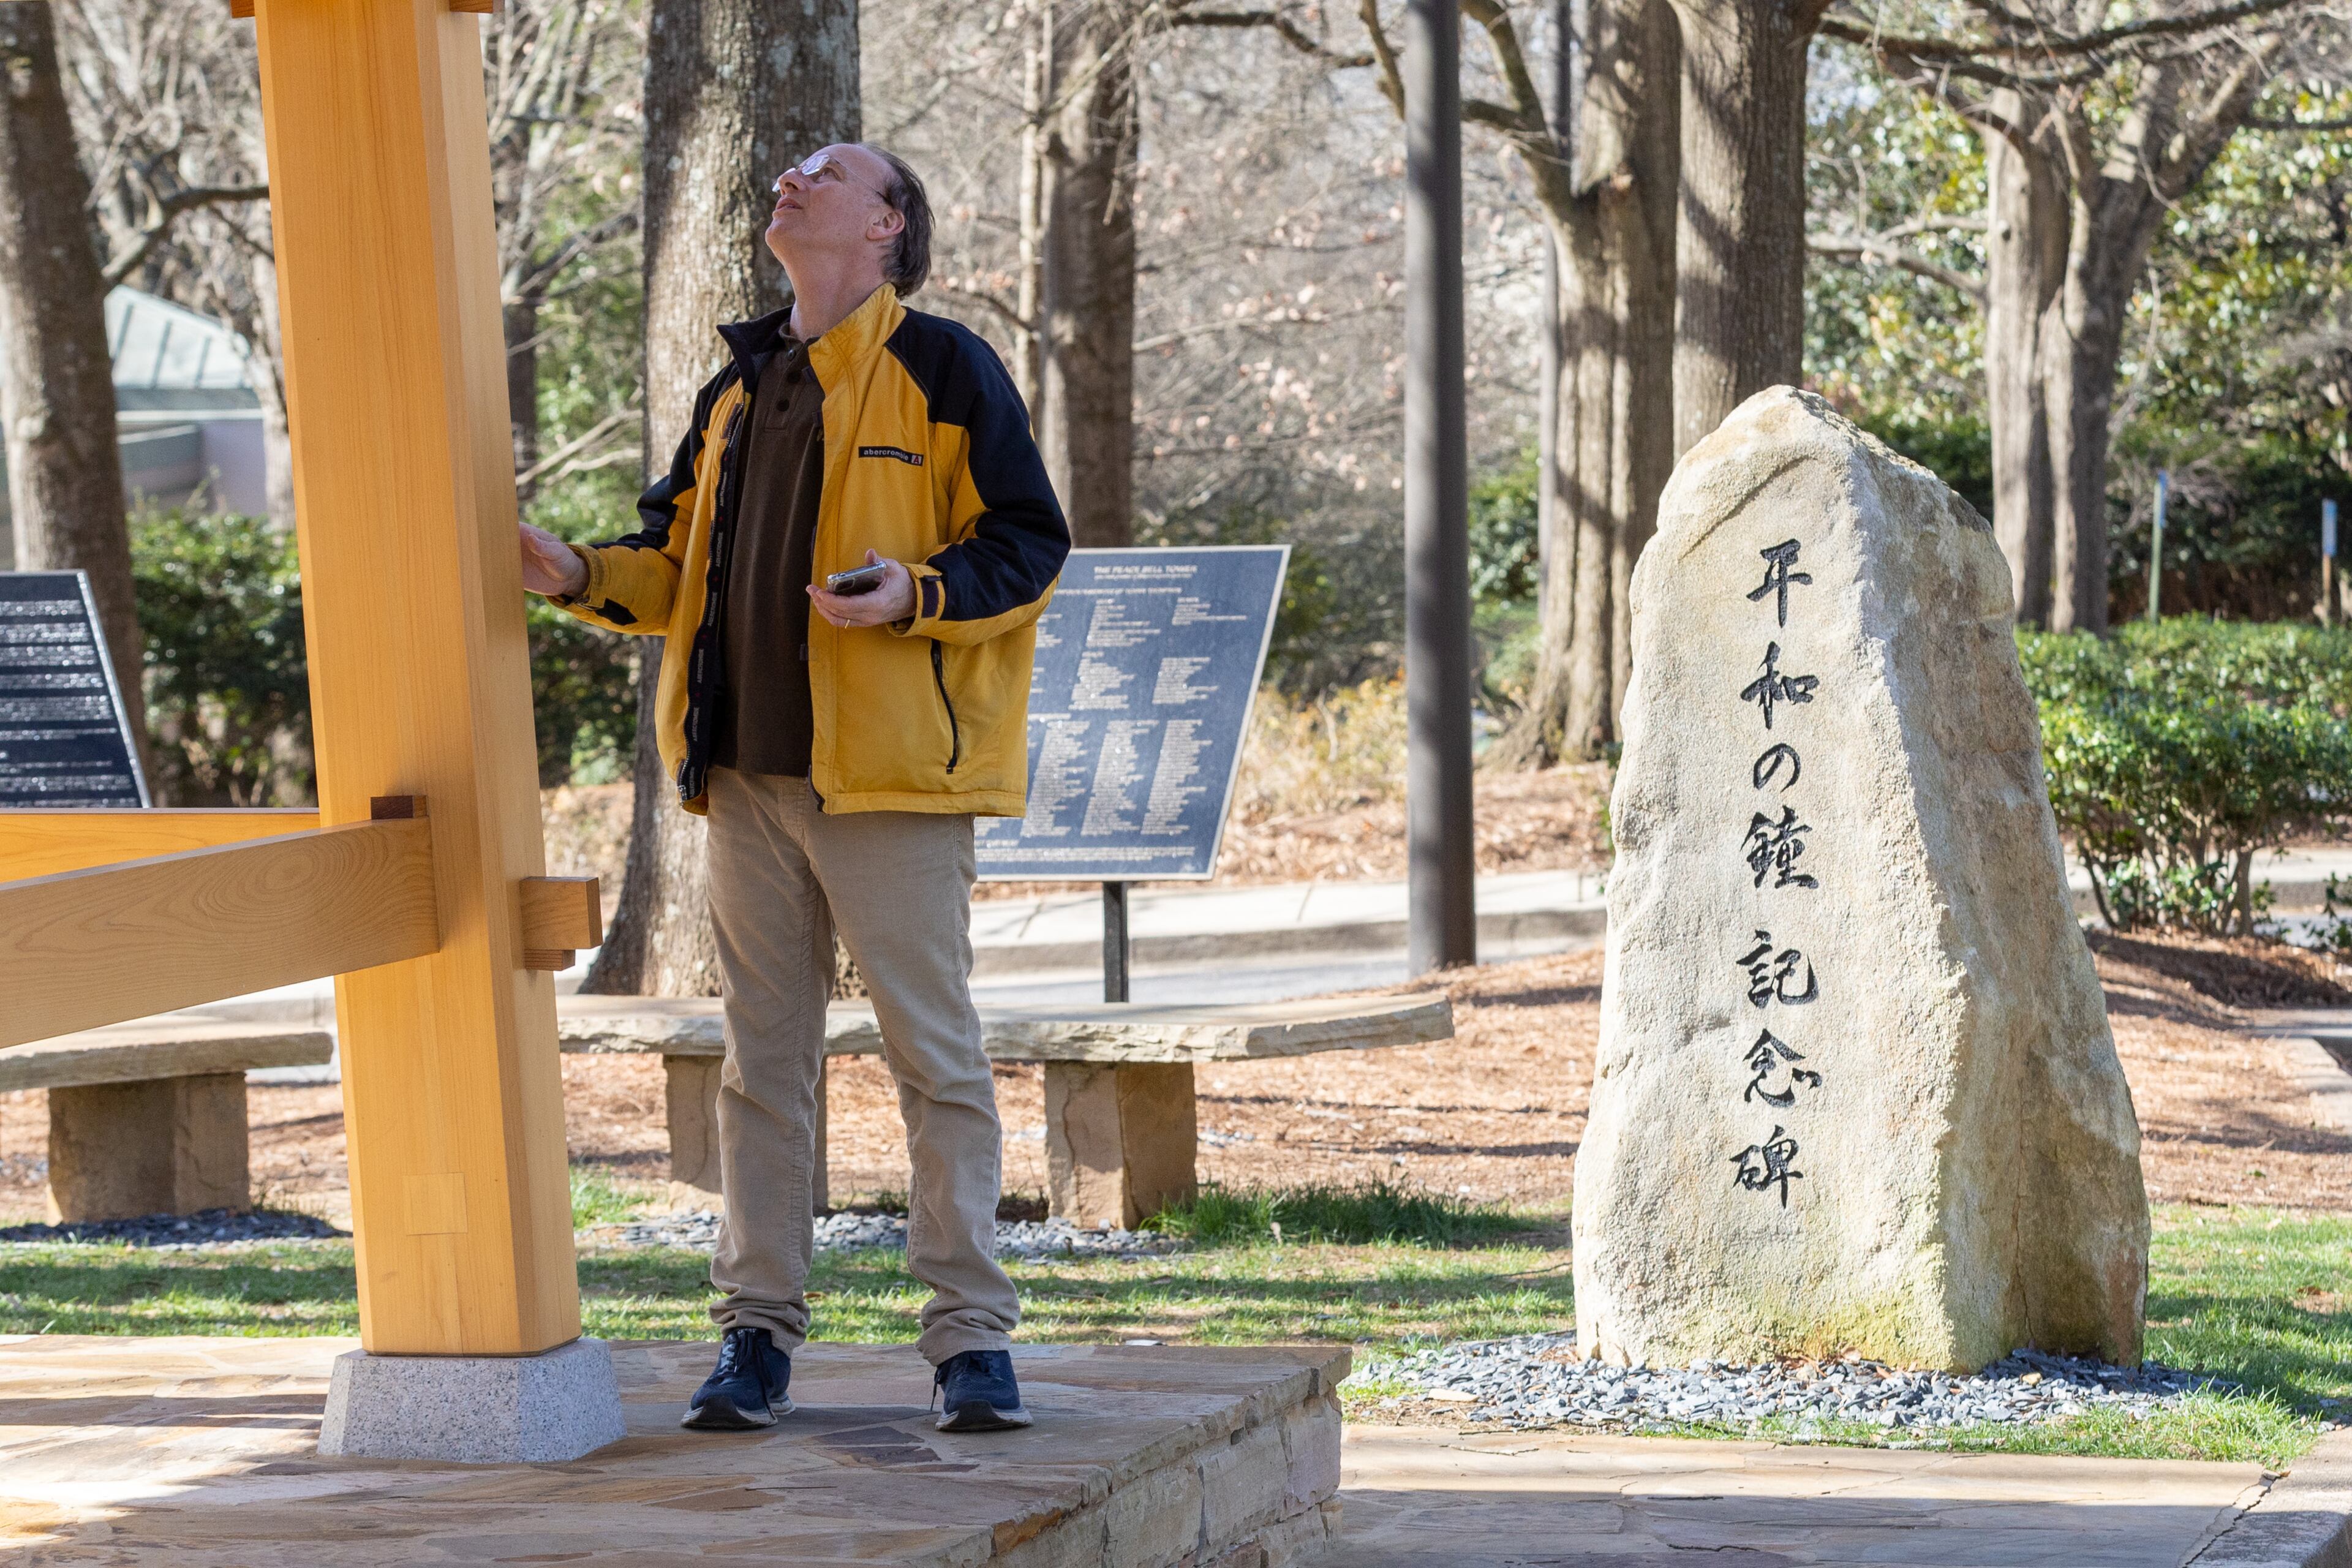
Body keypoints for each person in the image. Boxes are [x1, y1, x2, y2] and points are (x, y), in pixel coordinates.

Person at [519, 142, 1069, 1434]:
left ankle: (970, 1342)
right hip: (746, 788)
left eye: (826, 171)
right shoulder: (735, 387)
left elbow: (1028, 543)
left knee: (935, 1060)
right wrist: (573, 573)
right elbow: (670, 568)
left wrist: (913, 594)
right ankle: (754, 1337)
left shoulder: (946, 367)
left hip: (889, 785)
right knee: (762, 1069)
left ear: (886, 223)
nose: (790, 177)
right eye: (787, 169)